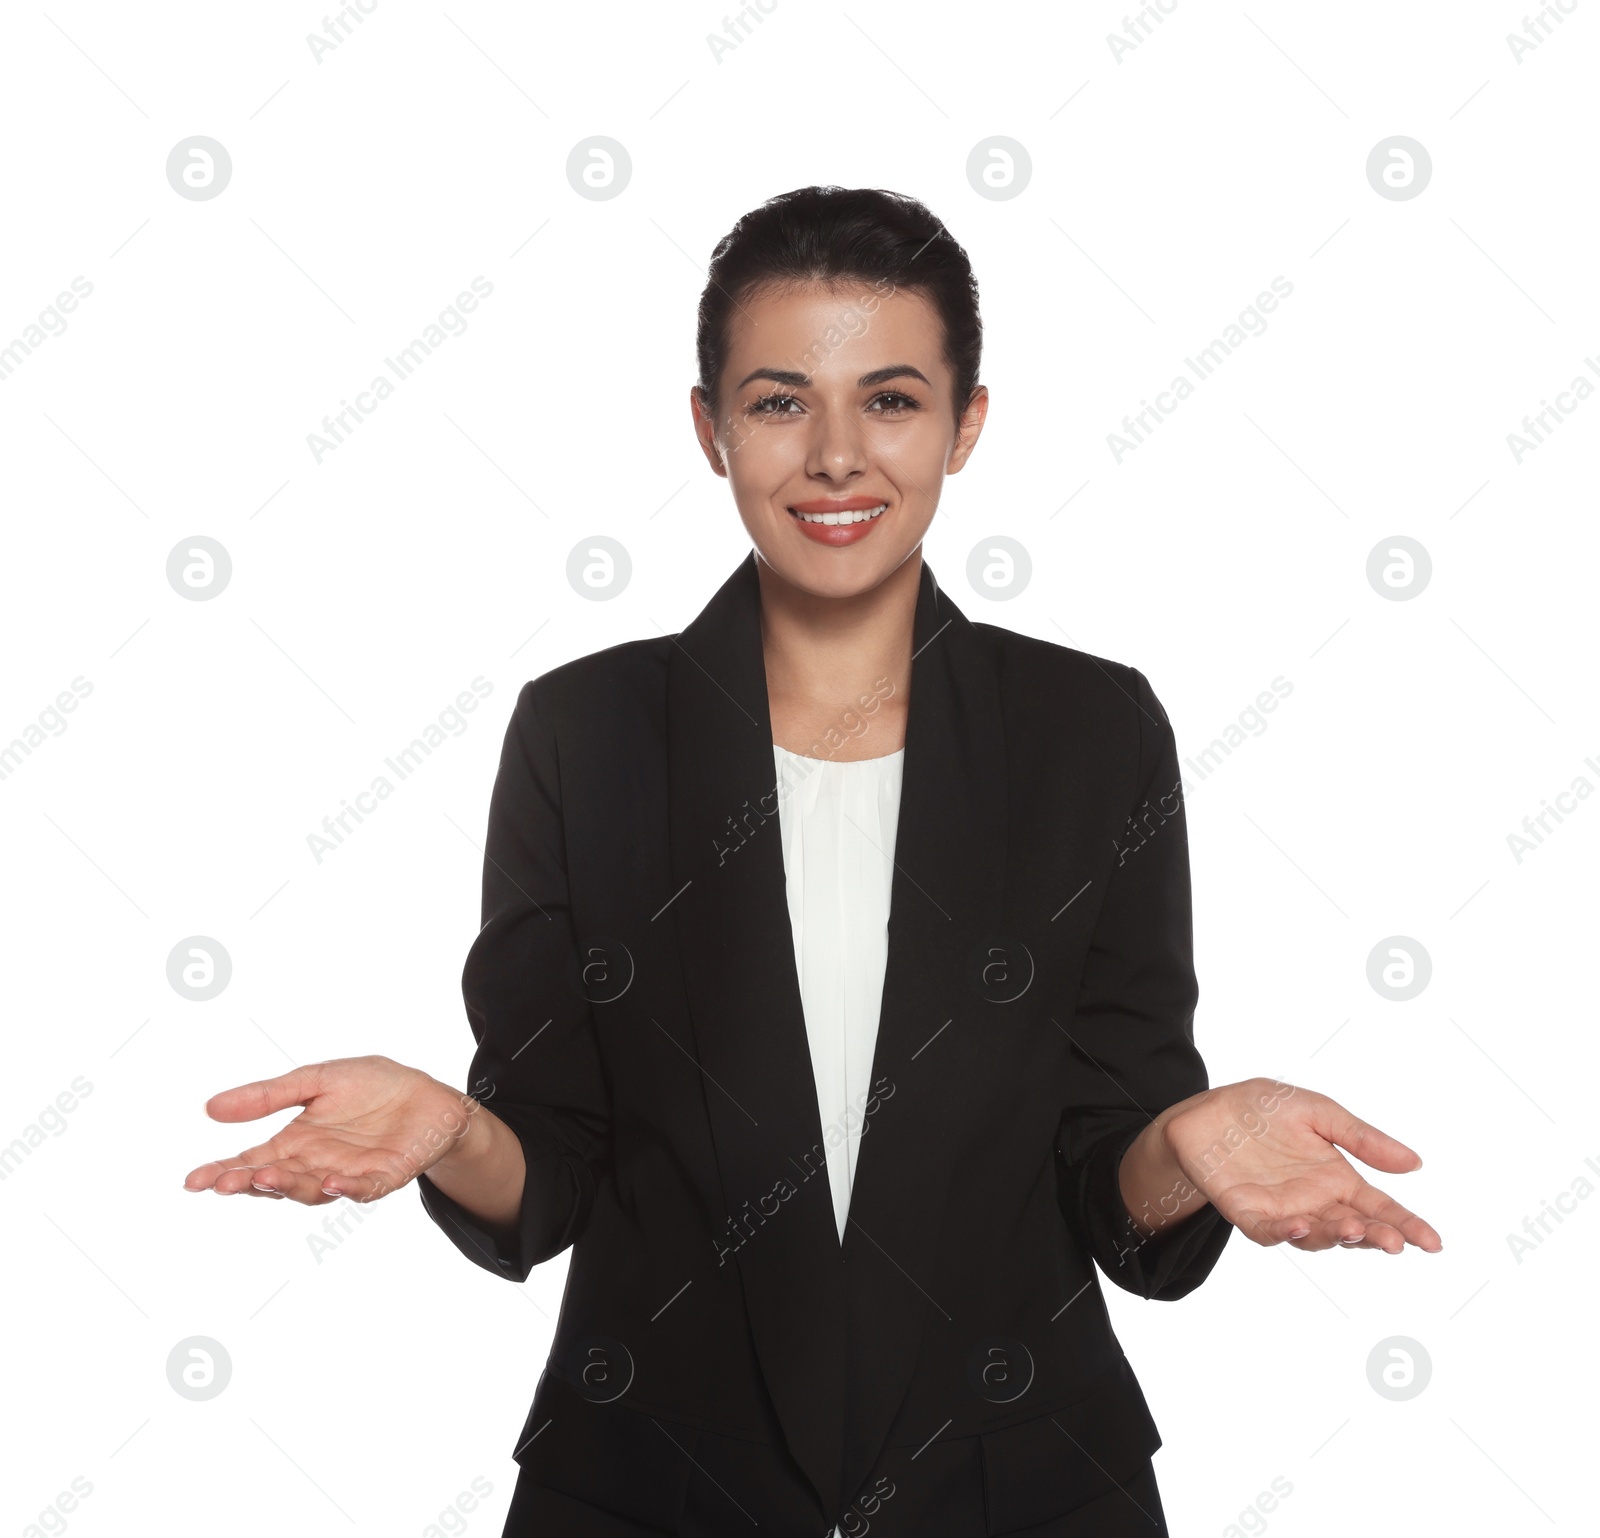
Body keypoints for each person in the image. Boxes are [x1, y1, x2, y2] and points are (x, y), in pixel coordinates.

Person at [184, 186, 1442, 1537]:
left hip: (1019, 1488)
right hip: (653, 1491)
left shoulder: (1092, 727)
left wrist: (1187, 1146)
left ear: (965, 425)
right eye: (782, 401)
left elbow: (1105, 1171)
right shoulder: (585, 729)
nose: (837, 455)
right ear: (710, 428)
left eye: (891, 399)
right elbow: (549, 1162)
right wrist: (454, 1129)